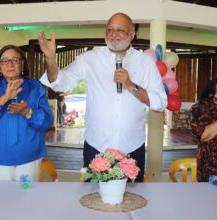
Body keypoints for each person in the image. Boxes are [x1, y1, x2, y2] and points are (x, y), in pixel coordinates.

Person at [38, 13, 167, 182]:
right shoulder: (90, 59)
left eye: (120, 29)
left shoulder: (145, 63)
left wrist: (130, 85)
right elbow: (60, 82)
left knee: (132, 202)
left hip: (132, 149)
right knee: (91, 200)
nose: (114, 34)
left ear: (132, 35)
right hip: (96, 147)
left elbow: (160, 102)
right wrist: (50, 59)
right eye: (110, 29)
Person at [0, 45, 53, 182]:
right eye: (4, 61)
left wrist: (28, 112)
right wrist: (4, 98)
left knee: (26, 196)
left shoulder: (35, 87)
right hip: (0, 157)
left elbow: (47, 121)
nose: (9, 64)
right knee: (4, 198)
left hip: (29, 156)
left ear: (22, 63)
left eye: (15, 60)